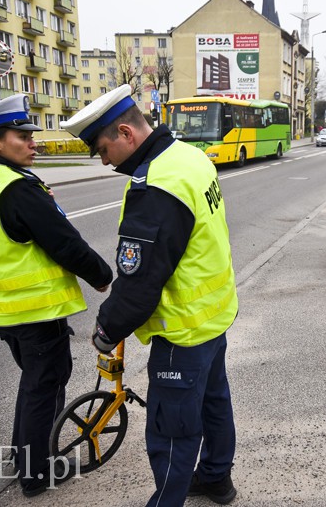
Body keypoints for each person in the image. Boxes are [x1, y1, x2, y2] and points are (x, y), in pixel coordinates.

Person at [62, 84, 239, 506]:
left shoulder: (155, 186)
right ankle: (216, 478)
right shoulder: (188, 156)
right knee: (214, 403)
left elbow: (139, 283)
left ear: (126, 133)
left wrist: (106, 330)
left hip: (181, 330)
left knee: (172, 429)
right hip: (213, 317)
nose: (103, 161)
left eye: (103, 149)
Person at [0, 94, 113, 498]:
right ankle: (38, 471)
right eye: (22, 136)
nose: (33, 142)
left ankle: (25, 453)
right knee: (45, 384)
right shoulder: (15, 188)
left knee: (35, 380)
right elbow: (64, 243)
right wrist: (102, 276)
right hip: (34, 308)